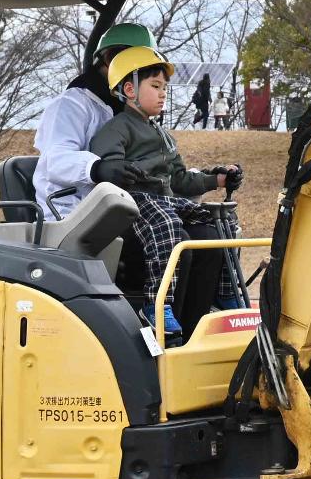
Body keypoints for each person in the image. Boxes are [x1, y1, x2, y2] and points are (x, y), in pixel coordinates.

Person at [87, 48, 241, 305]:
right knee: (170, 228)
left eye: (165, 88)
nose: (163, 93)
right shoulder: (117, 128)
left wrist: (217, 179)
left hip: (165, 203)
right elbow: (109, 172)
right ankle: (159, 305)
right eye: (156, 86)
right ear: (130, 90)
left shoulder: (162, 134)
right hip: (136, 207)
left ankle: (222, 297)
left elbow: (179, 178)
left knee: (220, 224)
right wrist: (116, 170)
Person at [32, 22, 158, 218]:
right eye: (136, 68)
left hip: (116, 210)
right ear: (109, 58)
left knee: (203, 231)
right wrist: (97, 168)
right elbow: (55, 161)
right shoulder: (71, 105)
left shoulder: (128, 111)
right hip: (70, 215)